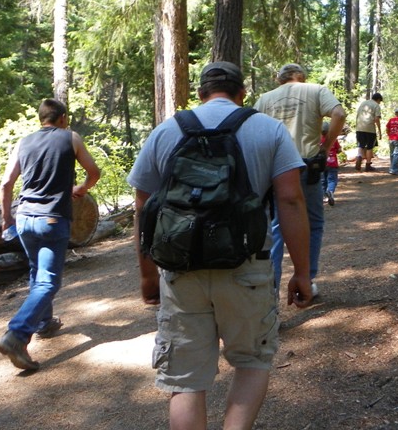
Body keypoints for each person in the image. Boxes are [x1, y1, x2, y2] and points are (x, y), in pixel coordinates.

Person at [128, 61, 313, 430]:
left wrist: (148, 275)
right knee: (252, 361)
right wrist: (303, 273)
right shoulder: (268, 129)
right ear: (242, 93)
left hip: (181, 270)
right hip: (247, 267)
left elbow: (143, 208)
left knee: (186, 381)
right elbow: (290, 201)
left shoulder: (165, 131)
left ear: (200, 93)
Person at [0, 98, 101, 371]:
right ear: (63, 118)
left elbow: (6, 183)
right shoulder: (71, 138)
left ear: (41, 119)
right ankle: (16, 335)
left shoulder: (23, 142)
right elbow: (94, 172)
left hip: (25, 219)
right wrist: (81, 188)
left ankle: (43, 323)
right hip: (52, 218)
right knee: (48, 282)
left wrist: (7, 218)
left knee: (36, 270)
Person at [254, 63, 346, 295]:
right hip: (306, 164)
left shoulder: (265, 99)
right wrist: (325, 148)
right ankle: (307, 280)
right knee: (313, 222)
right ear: (301, 76)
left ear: (279, 80)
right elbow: (339, 113)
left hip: (274, 168)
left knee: (275, 228)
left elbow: (251, 127)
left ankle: (270, 291)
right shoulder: (315, 90)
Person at [355, 93, 383, 172]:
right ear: (378, 99)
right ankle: (368, 165)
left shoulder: (363, 103)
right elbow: (377, 119)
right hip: (370, 128)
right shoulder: (376, 106)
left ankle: (359, 156)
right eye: (380, 101)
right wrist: (379, 131)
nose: (379, 103)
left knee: (360, 145)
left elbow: (357, 115)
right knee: (370, 147)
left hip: (359, 127)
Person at [321, 121, 342, 206]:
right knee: (332, 179)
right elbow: (339, 149)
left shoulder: (318, 139)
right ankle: (330, 191)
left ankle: (322, 196)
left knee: (322, 180)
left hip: (322, 163)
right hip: (332, 163)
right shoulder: (333, 139)